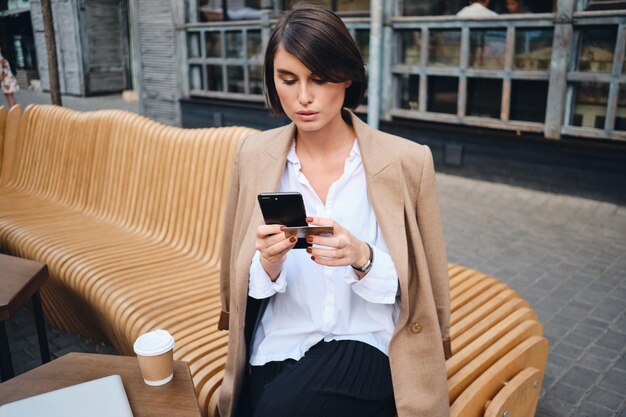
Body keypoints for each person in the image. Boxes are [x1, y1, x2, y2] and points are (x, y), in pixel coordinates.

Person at [217, 4, 450, 417]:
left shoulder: (406, 162)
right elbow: (242, 283)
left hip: (367, 343)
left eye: (319, 79)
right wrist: (267, 264)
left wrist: (363, 257)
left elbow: (419, 289)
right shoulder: (254, 155)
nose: (303, 96)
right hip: (279, 342)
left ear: (347, 77)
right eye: (287, 80)